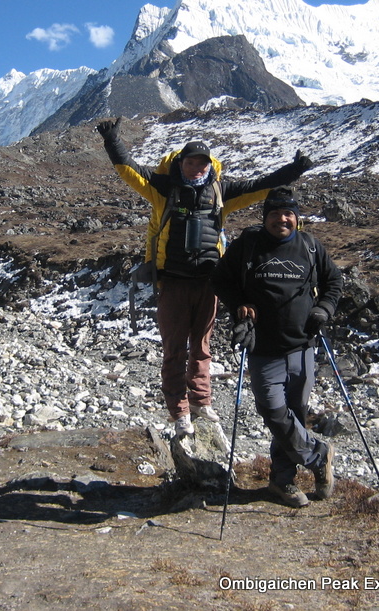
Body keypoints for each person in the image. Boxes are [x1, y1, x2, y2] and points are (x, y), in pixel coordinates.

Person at [96, 117, 312, 437]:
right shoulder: (163, 189)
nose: (196, 167)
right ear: (181, 163)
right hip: (172, 282)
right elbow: (129, 169)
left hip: (210, 283)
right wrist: (112, 139)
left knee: (202, 347)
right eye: (191, 161)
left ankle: (200, 401)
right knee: (174, 349)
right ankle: (179, 411)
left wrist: (295, 170)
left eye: (202, 162)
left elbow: (260, 186)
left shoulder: (221, 191)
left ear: (210, 166)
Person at [211, 186, 344, 507]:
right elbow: (219, 279)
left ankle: (282, 481)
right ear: (265, 217)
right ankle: (318, 456)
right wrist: (239, 303)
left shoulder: (311, 248)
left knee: (294, 416)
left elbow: (334, 282)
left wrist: (323, 309)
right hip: (263, 348)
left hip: (302, 347)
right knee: (273, 411)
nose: (281, 220)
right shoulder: (248, 245)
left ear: (296, 218)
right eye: (274, 214)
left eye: (287, 214)